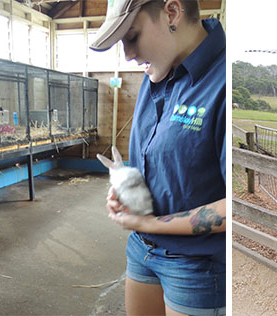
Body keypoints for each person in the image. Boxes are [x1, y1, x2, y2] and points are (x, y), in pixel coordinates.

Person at [89, 0, 226, 315]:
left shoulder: (220, 81)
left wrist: (150, 222)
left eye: (133, 37)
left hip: (195, 264)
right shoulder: (157, 71)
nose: (127, 54)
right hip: (141, 248)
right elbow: (150, 161)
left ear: (172, 13)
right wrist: (125, 192)